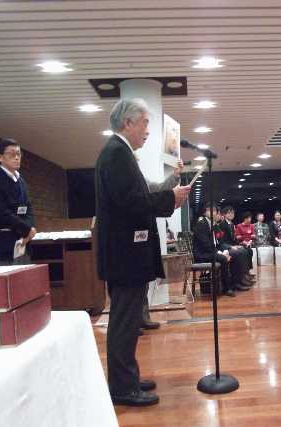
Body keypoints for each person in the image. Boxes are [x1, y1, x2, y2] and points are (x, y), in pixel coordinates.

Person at [95, 98, 191, 407]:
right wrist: (170, 199)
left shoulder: (120, 153)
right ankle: (122, 388)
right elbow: (133, 203)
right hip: (124, 254)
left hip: (125, 253)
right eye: (145, 123)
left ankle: (128, 379)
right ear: (128, 123)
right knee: (124, 322)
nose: (148, 130)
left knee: (128, 320)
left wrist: (169, 197)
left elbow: (136, 198)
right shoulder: (116, 154)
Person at [140, 160, 184, 332]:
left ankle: (143, 317)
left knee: (143, 279)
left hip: (144, 233)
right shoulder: (122, 177)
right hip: (128, 234)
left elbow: (159, 188)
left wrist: (175, 176)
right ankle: (134, 320)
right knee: (133, 283)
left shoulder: (141, 179)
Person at [0, 139, 36, 266]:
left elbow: (28, 209)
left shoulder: (21, 180)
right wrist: (26, 229)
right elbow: (0, 212)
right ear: (0, 157)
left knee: (24, 278)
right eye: (12, 154)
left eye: (19, 154)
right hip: (1, 247)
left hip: (22, 244)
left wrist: (30, 229)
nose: (17, 157)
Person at [193, 205, 244, 297]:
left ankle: (235, 283)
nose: (211, 212)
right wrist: (220, 253)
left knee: (234, 254)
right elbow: (205, 245)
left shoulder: (214, 224)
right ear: (205, 212)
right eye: (208, 210)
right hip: (202, 254)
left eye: (213, 210)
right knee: (223, 259)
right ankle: (226, 288)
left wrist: (225, 251)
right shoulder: (201, 224)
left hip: (210, 252)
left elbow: (219, 242)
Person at [218, 206, 255, 286]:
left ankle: (245, 273)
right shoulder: (222, 225)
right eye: (229, 213)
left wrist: (239, 244)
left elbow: (234, 239)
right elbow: (222, 241)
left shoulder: (231, 224)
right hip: (226, 247)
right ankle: (238, 279)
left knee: (248, 250)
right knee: (240, 252)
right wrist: (232, 246)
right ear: (224, 214)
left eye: (233, 213)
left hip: (232, 245)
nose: (231, 214)